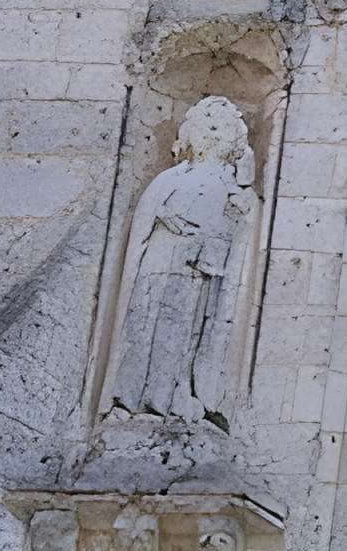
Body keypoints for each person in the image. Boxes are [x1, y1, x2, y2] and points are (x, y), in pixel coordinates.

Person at [103, 96, 260, 424]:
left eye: (220, 128)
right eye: (206, 127)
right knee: (148, 324)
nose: (212, 134)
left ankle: (174, 396)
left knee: (187, 333)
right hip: (161, 263)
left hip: (201, 271)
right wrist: (162, 215)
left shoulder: (231, 184)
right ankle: (133, 396)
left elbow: (241, 229)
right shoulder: (173, 177)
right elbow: (146, 214)